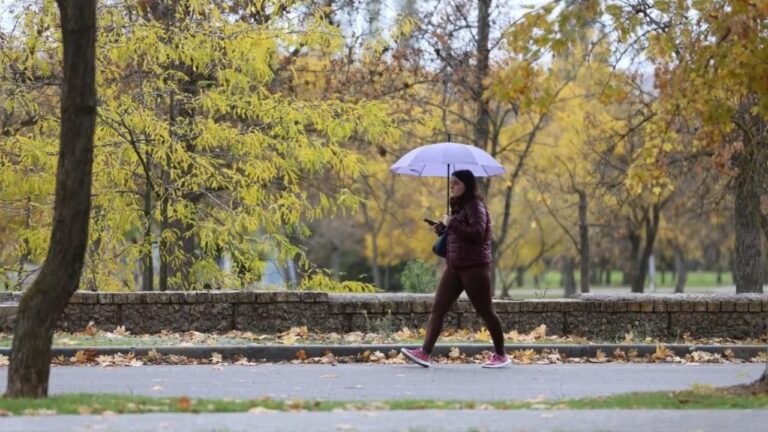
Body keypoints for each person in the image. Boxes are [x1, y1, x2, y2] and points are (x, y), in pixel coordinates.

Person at [401, 169, 510, 368]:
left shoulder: (476, 206)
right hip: (455, 267)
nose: (452, 186)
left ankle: (501, 355)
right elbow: (458, 235)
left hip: (474, 268)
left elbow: (478, 233)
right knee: (438, 309)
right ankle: (425, 353)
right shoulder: (459, 207)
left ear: (467, 185)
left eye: (456, 183)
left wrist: (453, 223)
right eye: (451, 183)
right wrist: (442, 229)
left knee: (486, 312)